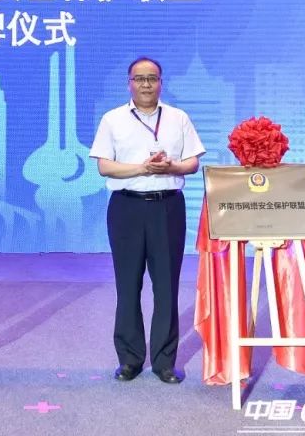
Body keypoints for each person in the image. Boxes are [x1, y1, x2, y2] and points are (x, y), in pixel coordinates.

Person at [89, 57, 205, 384]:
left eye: (151, 78)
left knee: (166, 287)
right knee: (128, 286)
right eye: (139, 78)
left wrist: (171, 167)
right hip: (126, 207)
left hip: (167, 207)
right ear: (129, 83)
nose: (145, 84)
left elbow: (193, 162)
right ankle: (129, 359)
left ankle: (164, 362)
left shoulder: (178, 118)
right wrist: (142, 168)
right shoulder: (112, 119)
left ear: (160, 82)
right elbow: (105, 167)